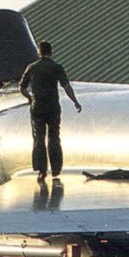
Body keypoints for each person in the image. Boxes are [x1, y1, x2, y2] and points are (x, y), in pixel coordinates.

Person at [18, 40, 82, 183]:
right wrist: (75, 101)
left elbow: (21, 88)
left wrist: (30, 98)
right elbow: (66, 86)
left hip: (37, 107)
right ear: (51, 52)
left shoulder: (32, 67)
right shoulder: (57, 67)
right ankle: (56, 169)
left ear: (38, 52)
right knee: (54, 137)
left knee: (38, 138)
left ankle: (41, 171)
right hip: (53, 107)